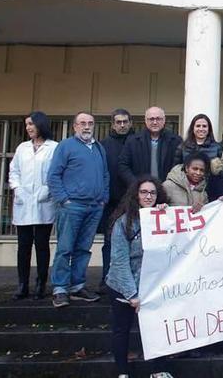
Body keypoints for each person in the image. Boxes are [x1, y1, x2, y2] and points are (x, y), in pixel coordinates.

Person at [106, 175, 168, 378]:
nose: (148, 196)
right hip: (123, 285)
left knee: (156, 329)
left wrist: (166, 215)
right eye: (144, 192)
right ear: (135, 195)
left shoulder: (163, 218)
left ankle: (158, 370)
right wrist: (131, 293)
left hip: (150, 285)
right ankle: (122, 372)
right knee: (121, 330)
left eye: (152, 192)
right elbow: (119, 261)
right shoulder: (123, 224)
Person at [47, 112, 109, 308]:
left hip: (94, 207)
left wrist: (103, 199)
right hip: (72, 206)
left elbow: (105, 175)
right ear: (75, 126)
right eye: (82, 123)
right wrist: (64, 200)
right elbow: (53, 175)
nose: (87, 126)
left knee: (83, 249)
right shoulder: (66, 146)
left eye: (90, 123)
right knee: (65, 248)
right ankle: (60, 289)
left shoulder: (98, 148)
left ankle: (77, 286)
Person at [8, 111, 58, 300]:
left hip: (44, 201)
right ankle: (22, 284)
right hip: (23, 202)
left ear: (41, 125)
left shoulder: (54, 147)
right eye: (26, 124)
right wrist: (17, 188)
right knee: (24, 245)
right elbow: (14, 171)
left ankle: (40, 284)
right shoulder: (22, 148)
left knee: (42, 245)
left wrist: (47, 189)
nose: (28, 127)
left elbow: (56, 172)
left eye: (31, 124)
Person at [100, 108, 134, 294]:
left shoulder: (136, 143)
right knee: (110, 242)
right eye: (118, 122)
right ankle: (107, 280)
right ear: (112, 124)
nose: (122, 125)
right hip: (111, 202)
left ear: (130, 123)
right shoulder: (103, 145)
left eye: (125, 122)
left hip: (133, 201)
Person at [119, 107, 182, 183]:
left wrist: (170, 184)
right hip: (140, 191)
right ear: (145, 120)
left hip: (168, 190)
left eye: (158, 119)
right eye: (151, 119)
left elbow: (180, 166)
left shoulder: (176, 141)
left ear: (164, 120)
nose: (155, 122)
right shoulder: (132, 141)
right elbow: (123, 166)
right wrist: (136, 184)